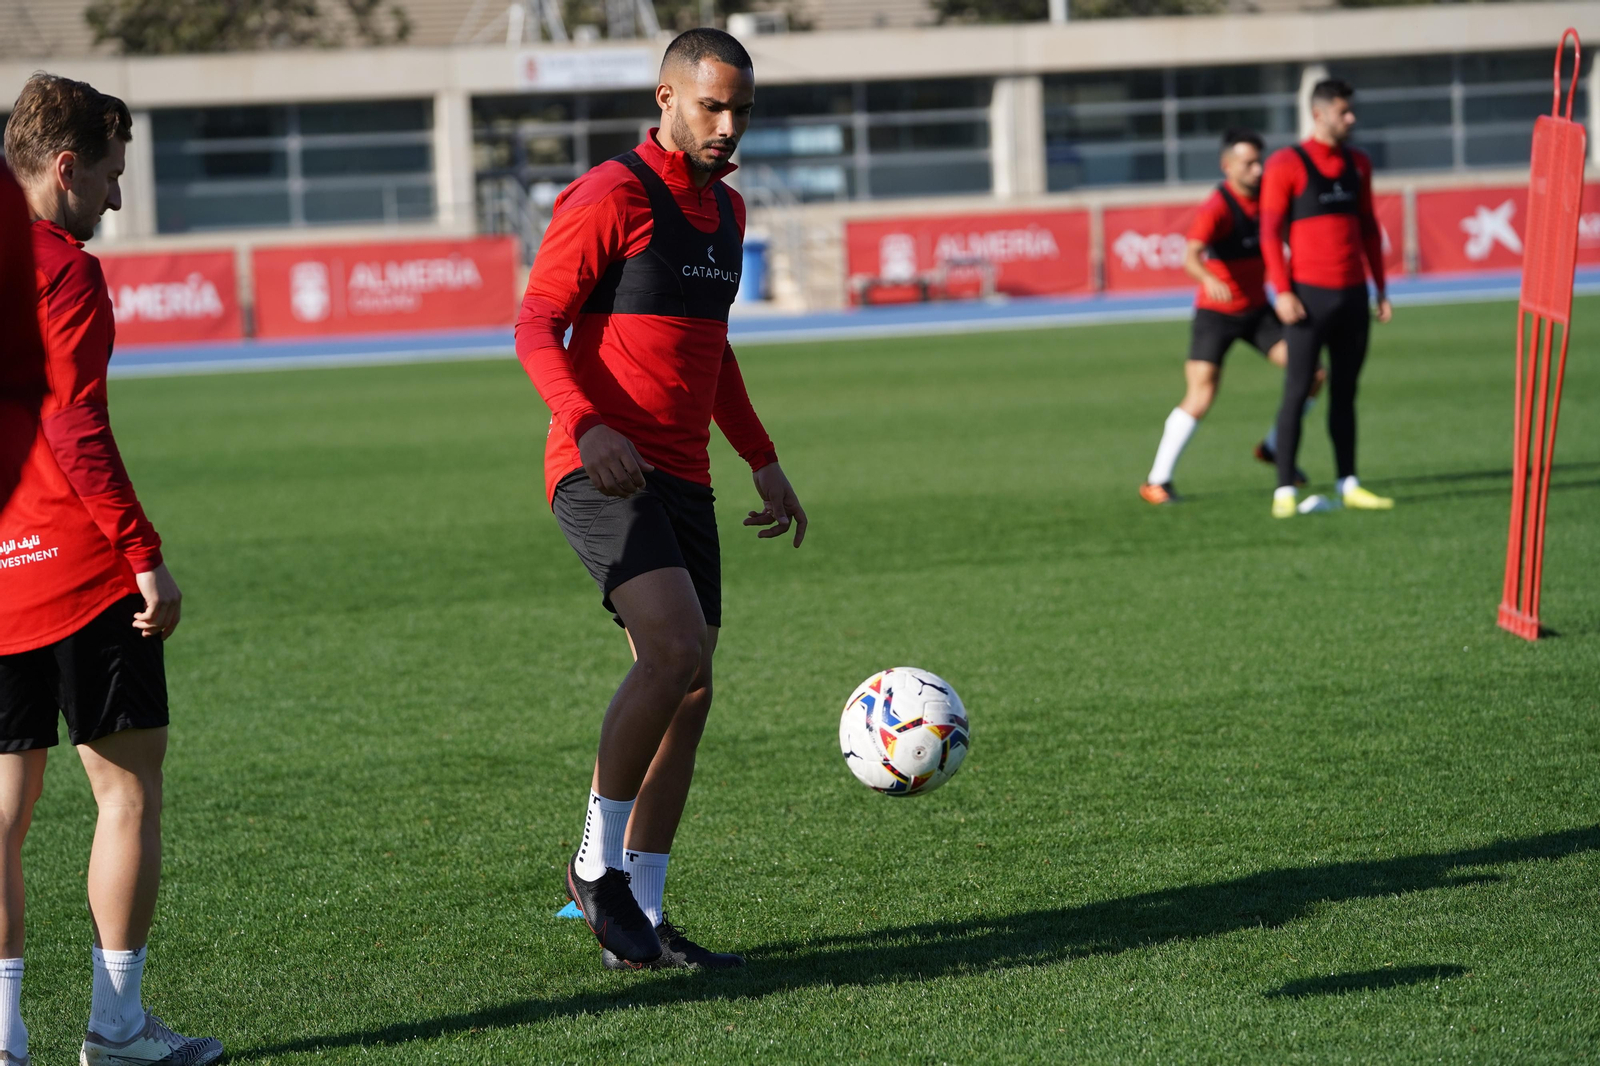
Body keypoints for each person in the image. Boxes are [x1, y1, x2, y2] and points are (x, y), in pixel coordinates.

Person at [515, 29, 806, 971]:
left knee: (692, 687)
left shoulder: (727, 210)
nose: (730, 127)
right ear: (668, 99)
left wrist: (762, 459)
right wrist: (586, 423)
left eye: (743, 112)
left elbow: (711, 352)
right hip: (599, 469)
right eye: (714, 107)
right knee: (675, 649)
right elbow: (534, 322)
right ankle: (594, 869)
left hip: (684, 477)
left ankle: (640, 914)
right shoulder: (611, 193)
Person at [0, 74, 222, 1066]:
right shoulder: (62, 270)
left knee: (3, 813)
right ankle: (119, 1029)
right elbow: (74, 425)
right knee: (123, 798)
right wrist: (147, 555)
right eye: (110, 175)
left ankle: (4, 1039)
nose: (117, 201)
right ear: (64, 168)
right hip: (78, 572)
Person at [1140, 128, 1323, 505]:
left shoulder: (1272, 200)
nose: (1258, 170)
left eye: (1261, 161)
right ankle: (1157, 480)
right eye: (1249, 163)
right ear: (1227, 166)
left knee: (1313, 373)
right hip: (1216, 313)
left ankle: (1273, 447)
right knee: (1201, 392)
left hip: (1258, 312)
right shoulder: (1217, 208)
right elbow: (1190, 256)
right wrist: (1208, 277)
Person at [1259, 78, 1394, 518]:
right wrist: (1281, 291)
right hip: (1306, 299)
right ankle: (1283, 492)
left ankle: (1348, 482)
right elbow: (1268, 232)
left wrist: (1381, 288)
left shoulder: (1359, 163)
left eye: (1351, 111)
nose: (1351, 119)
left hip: (1353, 297)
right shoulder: (1287, 164)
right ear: (1319, 114)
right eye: (1343, 112)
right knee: (1297, 390)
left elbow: (1369, 228)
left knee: (1346, 393)